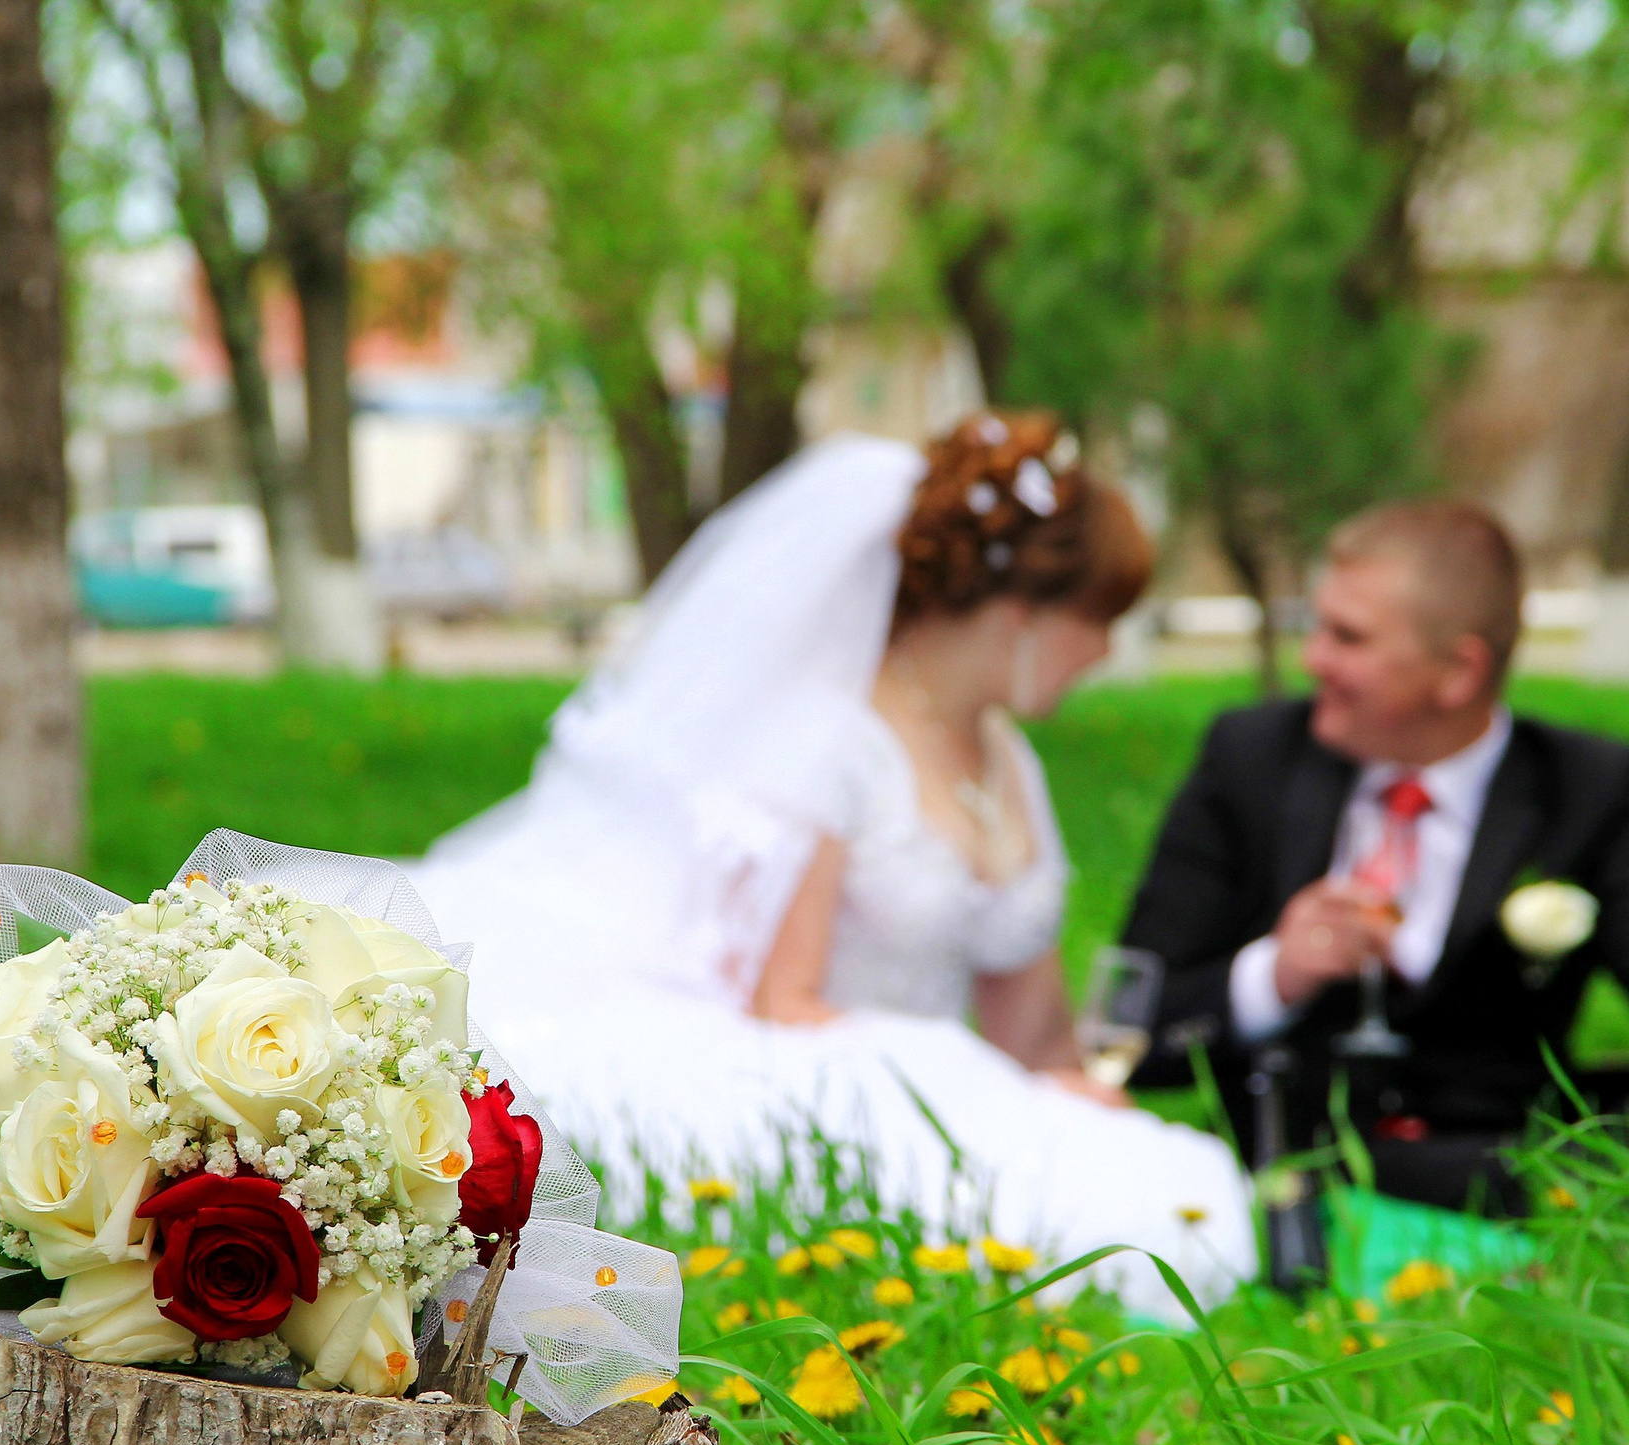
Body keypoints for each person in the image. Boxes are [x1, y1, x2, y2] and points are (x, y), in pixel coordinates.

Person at [404, 415, 1256, 1316]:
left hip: (943, 1081)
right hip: (825, 1073)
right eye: (1100, 621)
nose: (1107, 653)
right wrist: (960, 1083)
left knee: (1155, 1184)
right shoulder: (832, 741)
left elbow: (1033, 1040)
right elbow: (783, 1003)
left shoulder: (1011, 765)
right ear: (1023, 616)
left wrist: (1059, 1092)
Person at [1120, 498, 1629, 1221]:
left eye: (1348, 637)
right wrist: (1274, 974)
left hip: (1503, 1158)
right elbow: (1131, 1020)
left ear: (1459, 671)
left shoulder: (1584, 786)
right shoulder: (1252, 760)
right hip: (1296, 1164)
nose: (1313, 659)